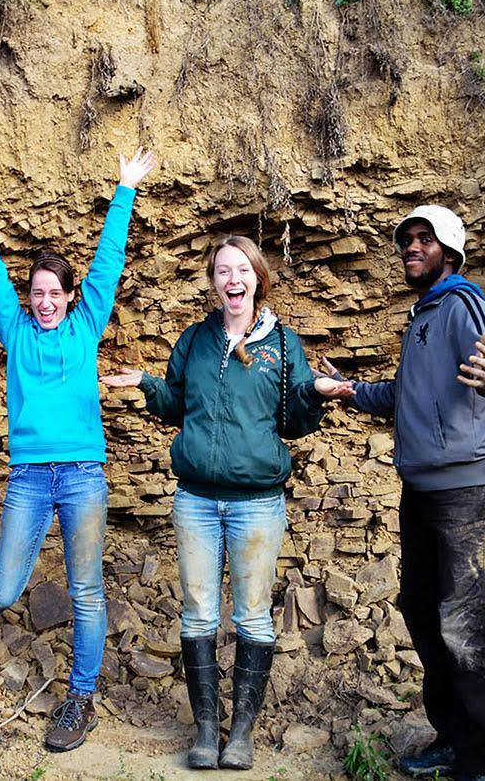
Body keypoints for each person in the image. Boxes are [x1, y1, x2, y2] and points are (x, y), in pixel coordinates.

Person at [101, 235, 351, 770]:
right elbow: (175, 406)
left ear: (258, 277)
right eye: (221, 270)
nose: (231, 279)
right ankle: (206, 731)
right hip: (195, 500)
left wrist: (316, 396)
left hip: (257, 503)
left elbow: (296, 424)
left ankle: (241, 734)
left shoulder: (283, 346)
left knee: (253, 617)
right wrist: (146, 382)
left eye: (241, 269)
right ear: (213, 282)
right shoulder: (195, 339)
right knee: (198, 612)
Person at [0, 148, 157, 752]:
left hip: (84, 475)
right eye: (36, 292)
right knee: (6, 587)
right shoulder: (14, 330)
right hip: (30, 478)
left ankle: (80, 699)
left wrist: (123, 191)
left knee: (87, 592)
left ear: (68, 295)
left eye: (54, 292)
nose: (44, 301)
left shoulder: (87, 325)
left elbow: (108, 264)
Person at [323, 206, 485, 781]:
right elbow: (409, 397)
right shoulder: (423, 317)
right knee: (424, 613)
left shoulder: (460, 302)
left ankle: (479, 764)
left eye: (423, 240)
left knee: (462, 623)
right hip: (423, 489)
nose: (411, 246)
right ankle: (451, 739)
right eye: (406, 239)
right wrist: (354, 391)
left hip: (469, 489)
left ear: (449, 252)